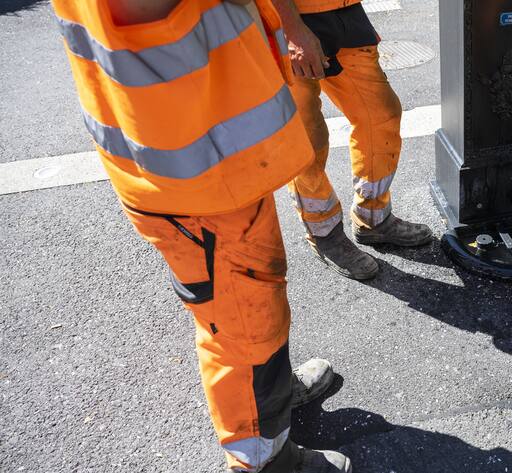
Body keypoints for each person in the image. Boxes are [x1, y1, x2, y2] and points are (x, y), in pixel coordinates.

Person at [52, 0, 352, 471]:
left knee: (252, 312)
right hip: (202, 187)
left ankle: (271, 396)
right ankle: (262, 456)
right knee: (244, 329)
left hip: (208, 169)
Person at [282, 0, 433, 280]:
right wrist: (293, 31)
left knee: (380, 116)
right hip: (287, 22)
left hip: (341, 11)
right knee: (307, 138)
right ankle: (323, 231)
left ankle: (372, 217)